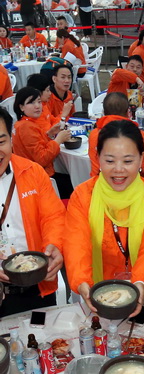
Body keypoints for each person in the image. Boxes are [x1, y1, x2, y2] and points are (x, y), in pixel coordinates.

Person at [64, 120, 144, 314]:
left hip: (143, 289)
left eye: (128, 161)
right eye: (110, 161)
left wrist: (139, 282)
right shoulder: (83, 195)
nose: (118, 169)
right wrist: (82, 282)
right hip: (97, 292)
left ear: (141, 158)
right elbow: (75, 244)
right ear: (97, 158)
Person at [0, 107, 65, 316]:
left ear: (11, 139)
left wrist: (54, 246)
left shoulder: (32, 172)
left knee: (43, 342)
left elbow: (53, 216)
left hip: (37, 286)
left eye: (1, 141)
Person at [88, 92, 144, 181]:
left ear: (103, 112)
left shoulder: (94, 135)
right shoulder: (140, 136)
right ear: (128, 112)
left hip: (100, 188)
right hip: (135, 190)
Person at [12, 87, 73, 198]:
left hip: (31, 174)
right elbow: (42, 158)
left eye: (39, 102)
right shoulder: (26, 127)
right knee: (75, 184)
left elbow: (33, 148)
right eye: (31, 102)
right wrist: (58, 140)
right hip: (39, 178)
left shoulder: (22, 123)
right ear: (21, 107)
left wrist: (48, 134)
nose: (37, 106)